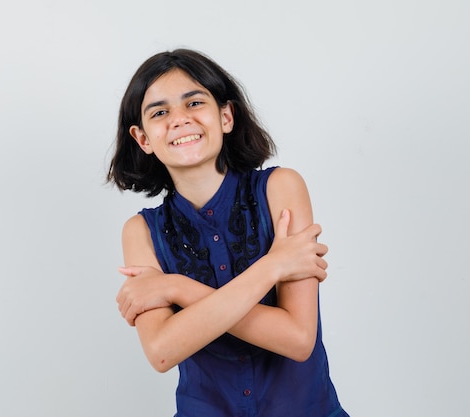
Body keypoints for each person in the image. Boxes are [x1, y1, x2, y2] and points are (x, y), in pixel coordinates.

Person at [107, 48, 348, 417]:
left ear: (226, 116)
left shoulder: (281, 188)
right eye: (159, 112)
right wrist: (273, 267)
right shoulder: (140, 231)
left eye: (194, 102)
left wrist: (176, 287)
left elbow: (298, 339)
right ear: (143, 139)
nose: (179, 120)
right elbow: (162, 351)